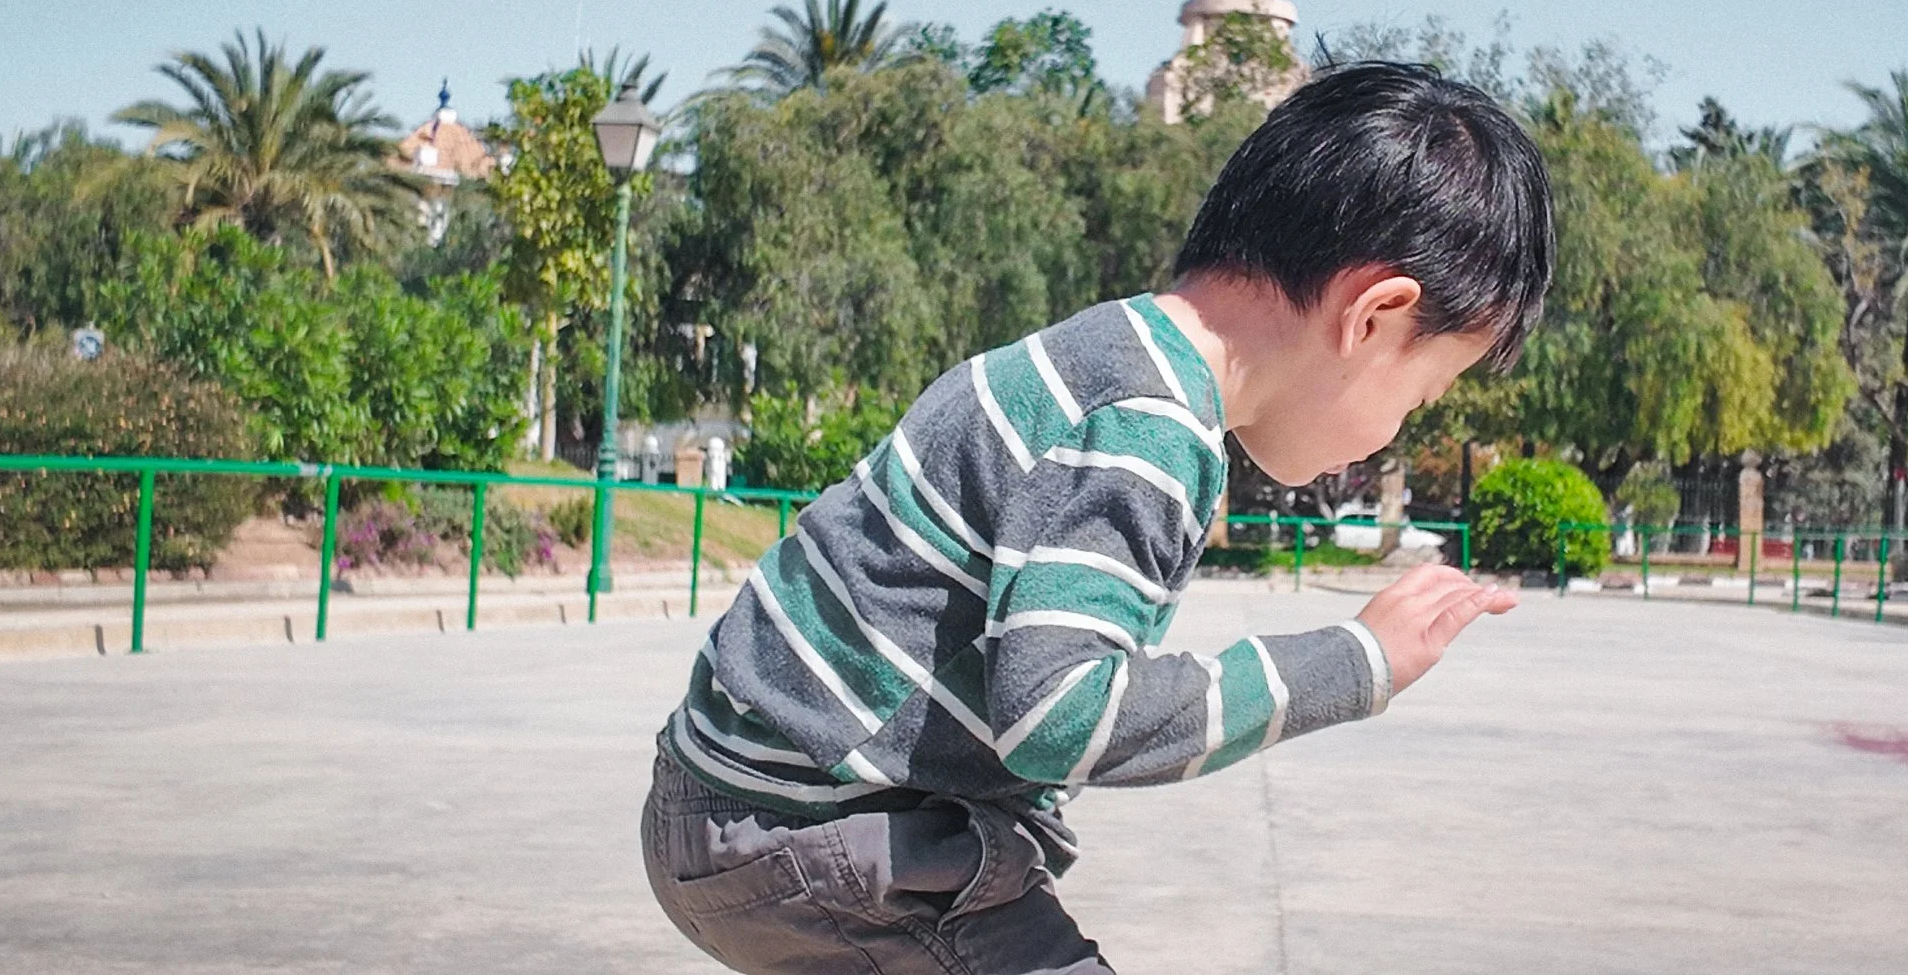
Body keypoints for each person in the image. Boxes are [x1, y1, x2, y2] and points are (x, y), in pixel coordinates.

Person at [642, 62, 1556, 973]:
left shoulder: (1105, 353)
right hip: (812, 834)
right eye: (1426, 393)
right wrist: (1353, 662)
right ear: (1375, 318)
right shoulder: (1146, 424)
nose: (1398, 431)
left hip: (740, 795)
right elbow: (1061, 713)